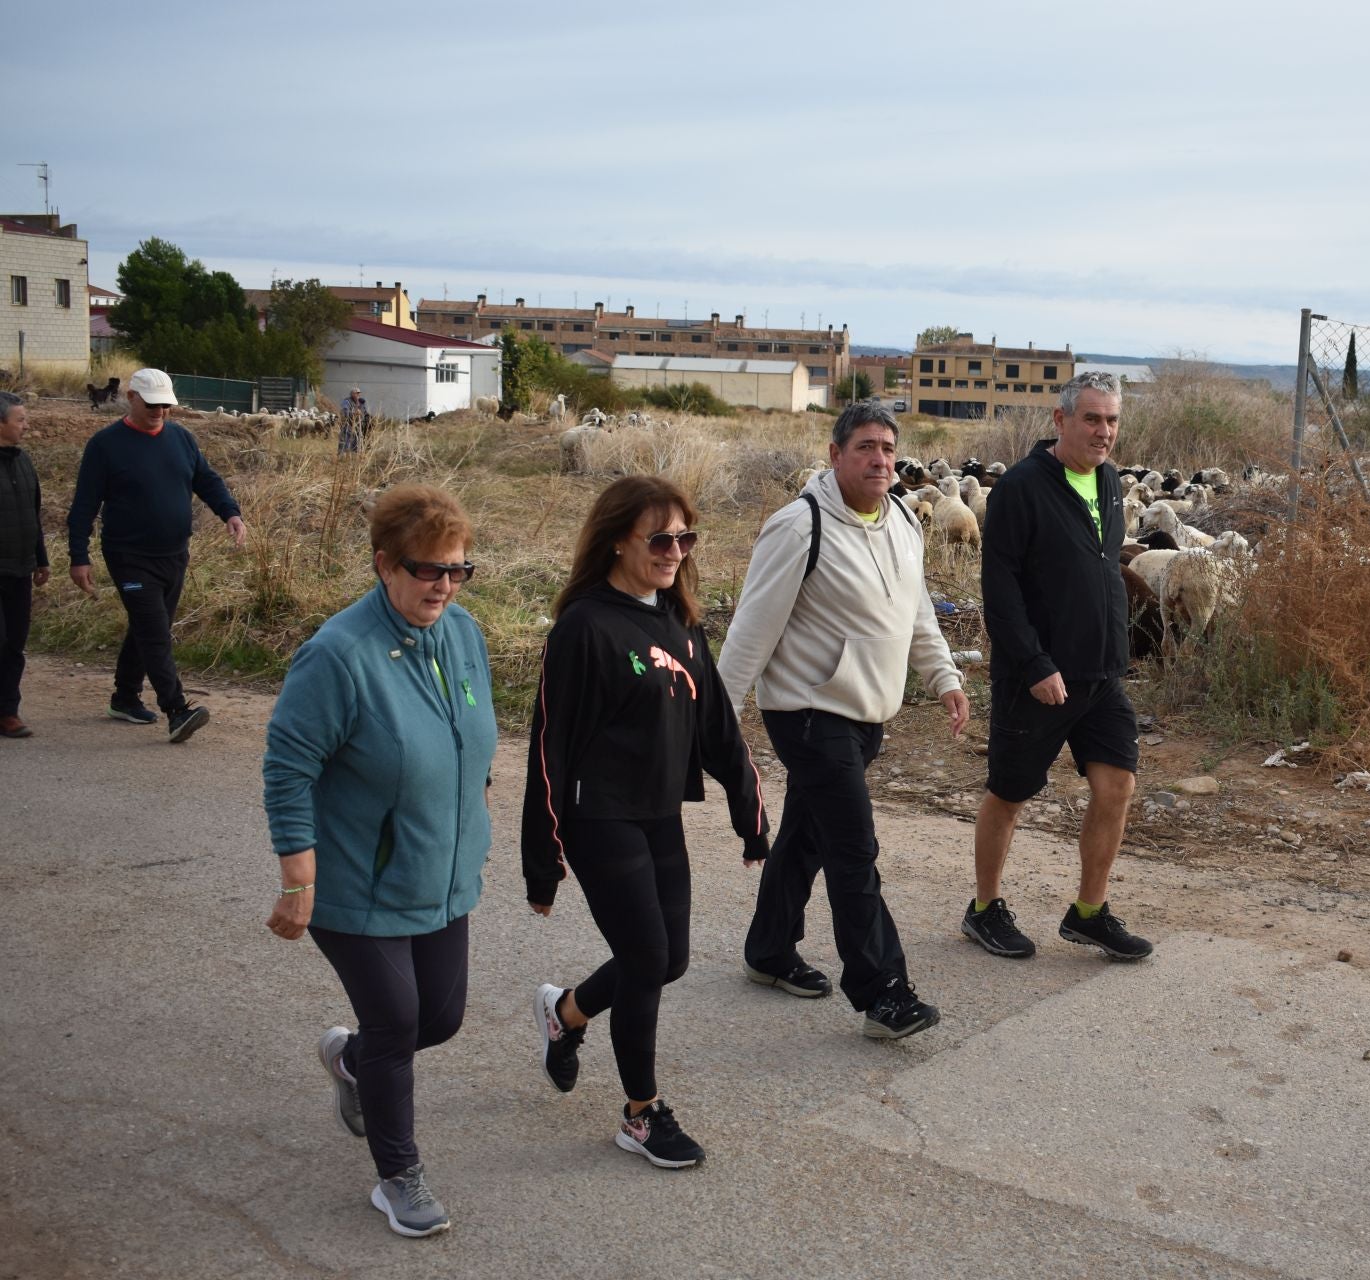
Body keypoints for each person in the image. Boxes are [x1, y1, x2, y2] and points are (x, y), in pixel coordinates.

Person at [262, 485, 498, 1238]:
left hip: (440, 870)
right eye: (428, 570)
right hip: (356, 880)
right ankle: (399, 1177)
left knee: (441, 1017)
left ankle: (352, 1060)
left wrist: (474, 813)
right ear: (384, 564)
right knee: (397, 1021)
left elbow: (470, 737)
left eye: (458, 570)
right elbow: (288, 769)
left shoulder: (462, 634)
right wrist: (298, 876)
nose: (445, 586)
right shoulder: (338, 655)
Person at [521, 476, 769, 1169]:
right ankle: (640, 1114)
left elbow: (718, 728)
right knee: (645, 959)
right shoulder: (584, 627)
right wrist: (543, 859)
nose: (674, 551)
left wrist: (750, 814)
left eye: (686, 538)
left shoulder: (679, 622)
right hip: (597, 814)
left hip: (659, 812)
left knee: (670, 959)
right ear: (616, 540)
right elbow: (549, 745)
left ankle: (566, 1014)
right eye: (660, 538)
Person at [718, 400, 968, 1040]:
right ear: (835, 455)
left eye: (887, 448)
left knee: (808, 835)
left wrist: (944, 677)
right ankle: (884, 993)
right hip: (808, 711)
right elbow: (751, 631)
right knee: (854, 850)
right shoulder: (798, 527)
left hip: (866, 711)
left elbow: (916, 611)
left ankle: (769, 951)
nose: (879, 459)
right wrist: (713, 719)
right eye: (864, 447)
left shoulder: (903, 517)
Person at [965, 371, 1153, 963]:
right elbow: (1000, 591)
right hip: (1037, 678)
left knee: (1117, 785)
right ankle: (984, 908)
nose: (1103, 431)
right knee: (1009, 793)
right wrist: (1034, 664)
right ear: (1061, 419)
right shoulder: (1020, 488)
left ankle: (1089, 913)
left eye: (1112, 420)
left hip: (1101, 675)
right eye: (1092, 419)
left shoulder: (1110, 480)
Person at [66, 367, 245, 743]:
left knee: (148, 626)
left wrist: (230, 512)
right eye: (152, 405)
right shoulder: (105, 445)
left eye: (166, 405)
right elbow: (84, 505)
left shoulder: (181, 438)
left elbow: (206, 479)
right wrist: (78, 556)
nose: (160, 412)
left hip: (174, 553)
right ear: (131, 398)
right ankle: (177, 710)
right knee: (155, 631)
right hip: (128, 554)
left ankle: (124, 698)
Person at [0, 391, 50, 738]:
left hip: (20, 569)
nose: (27, 426)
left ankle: (7, 711)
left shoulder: (23, 461)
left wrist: (41, 559)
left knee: (15, 643)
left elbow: (33, 514)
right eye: (20, 419)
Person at [339, 388, 370, 453]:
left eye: (359, 393)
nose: (358, 395)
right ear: (352, 394)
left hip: (358, 426)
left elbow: (364, 412)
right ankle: (342, 455)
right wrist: (354, 413)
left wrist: (367, 417)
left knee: (356, 442)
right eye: (357, 393)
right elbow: (344, 412)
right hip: (348, 425)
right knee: (345, 442)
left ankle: (354, 454)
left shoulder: (361, 402)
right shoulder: (347, 402)